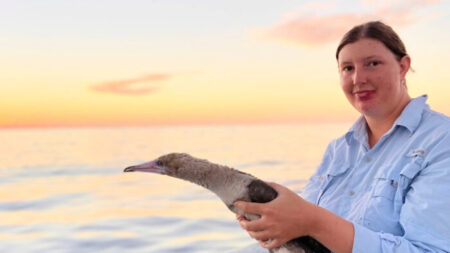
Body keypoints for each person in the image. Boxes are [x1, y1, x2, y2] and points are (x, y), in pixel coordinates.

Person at [233, 21, 450, 253]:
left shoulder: (440, 140)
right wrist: (276, 227)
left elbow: (430, 250)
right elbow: (306, 231)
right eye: (348, 68)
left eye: (372, 64)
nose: (358, 79)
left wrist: (313, 221)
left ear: (403, 66)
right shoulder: (339, 149)